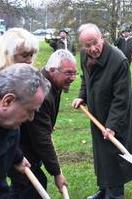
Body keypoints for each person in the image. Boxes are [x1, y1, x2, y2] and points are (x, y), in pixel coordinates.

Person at [72, 23, 132, 199]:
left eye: (95, 42)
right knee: (102, 157)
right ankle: (104, 190)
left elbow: (121, 99)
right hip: (97, 115)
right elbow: (85, 78)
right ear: (82, 46)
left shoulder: (119, 61)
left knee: (115, 157)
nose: (93, 49)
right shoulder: (84, 55)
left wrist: (112, 126)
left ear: (102, 38)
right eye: (87, 45)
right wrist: (82, 96)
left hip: (117, 118)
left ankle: (115, 194)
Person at [9, 49, 77, 199]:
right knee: (32, 188)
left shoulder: (54, 85)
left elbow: (44, 133)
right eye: (68, 73)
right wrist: (57, 173)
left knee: (21, 189)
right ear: (52, 70)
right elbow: (42, 139)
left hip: (25, 148)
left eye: (74, 73)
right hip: (19, 148)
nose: (72, 78)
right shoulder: (42, 92)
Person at [0, 63, 50, 199]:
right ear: (7, 101)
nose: (31, 118)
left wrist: (18, 157)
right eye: (30, 111)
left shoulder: (11, 127)